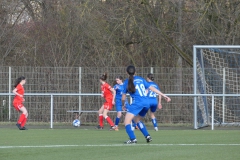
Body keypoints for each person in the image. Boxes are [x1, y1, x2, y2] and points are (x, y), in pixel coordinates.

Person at [122, 65, 171, 144]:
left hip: (138, 103)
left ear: (126, 72)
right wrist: (164, 95)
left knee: (127, 121)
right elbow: (152, 88)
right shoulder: (141, 79)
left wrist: (123, 105)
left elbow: (123, 97)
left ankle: (133, 139)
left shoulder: (126, 82)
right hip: (146, 102)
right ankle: (147, 136)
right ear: (135, 72)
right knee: (136, 120)